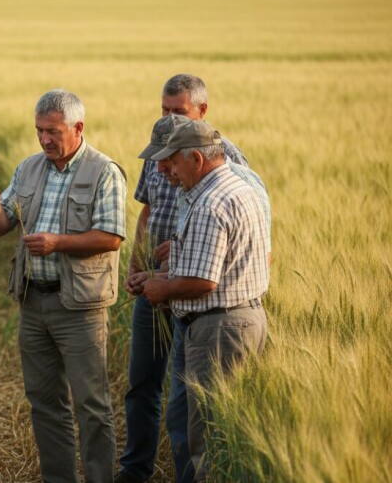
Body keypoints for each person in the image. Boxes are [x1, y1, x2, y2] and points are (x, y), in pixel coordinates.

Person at [0, 89, 126, 483]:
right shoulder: (28, 167)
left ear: (78, 127)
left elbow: (111, 237)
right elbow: (0, 226)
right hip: (33, 302)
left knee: (91, 405)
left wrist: (58, 243)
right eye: (39, 130)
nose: (44, 139)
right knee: (44, 402)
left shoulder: (104, 171)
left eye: (53, 131)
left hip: (81, 307)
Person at [118, 74, 250, 483]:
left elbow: (236, 223)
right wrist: (137, 266)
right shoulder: (157, 150)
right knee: (142, 383)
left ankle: (183, 472)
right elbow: (147, 210)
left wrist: (180, 256)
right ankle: (136, 470)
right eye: (164, 109)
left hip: (192, 293)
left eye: (178, 111)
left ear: (202, 111)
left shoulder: (225, 158)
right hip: (155, 285)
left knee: (186, 399)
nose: (169, 118)